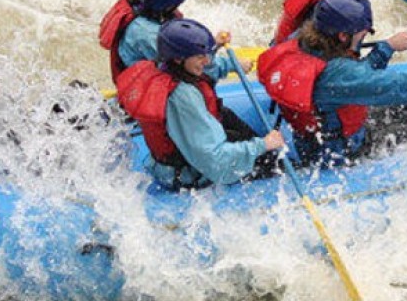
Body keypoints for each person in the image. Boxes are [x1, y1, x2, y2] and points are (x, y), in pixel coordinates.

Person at [258, 0, 407, 167]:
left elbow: (353, 79)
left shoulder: (300, 40)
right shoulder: (337, 75)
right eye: (362, 33)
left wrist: (386, 48)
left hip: (315, 137)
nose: (364, 36)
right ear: (343, 36)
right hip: (341, 151)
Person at [118, 19, 284, 190]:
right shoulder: (182, 98)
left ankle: (270, 154)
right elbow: (214, 160)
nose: (207, 61)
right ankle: (273, 161)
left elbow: (205, 66)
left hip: (183, 154)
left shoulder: (166, 65)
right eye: (200, 56)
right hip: (188, 174)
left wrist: (213, 46)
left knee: (225, 115)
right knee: (267, 159)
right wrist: (263, 144)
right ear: (178, 58)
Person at [99, 0, 249, 85]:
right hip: (149, 93)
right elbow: (193, 67)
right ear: (166, 6)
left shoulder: (140, 7)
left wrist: (213, 45)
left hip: (144, 78)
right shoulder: (148, 35)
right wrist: (232, 65)